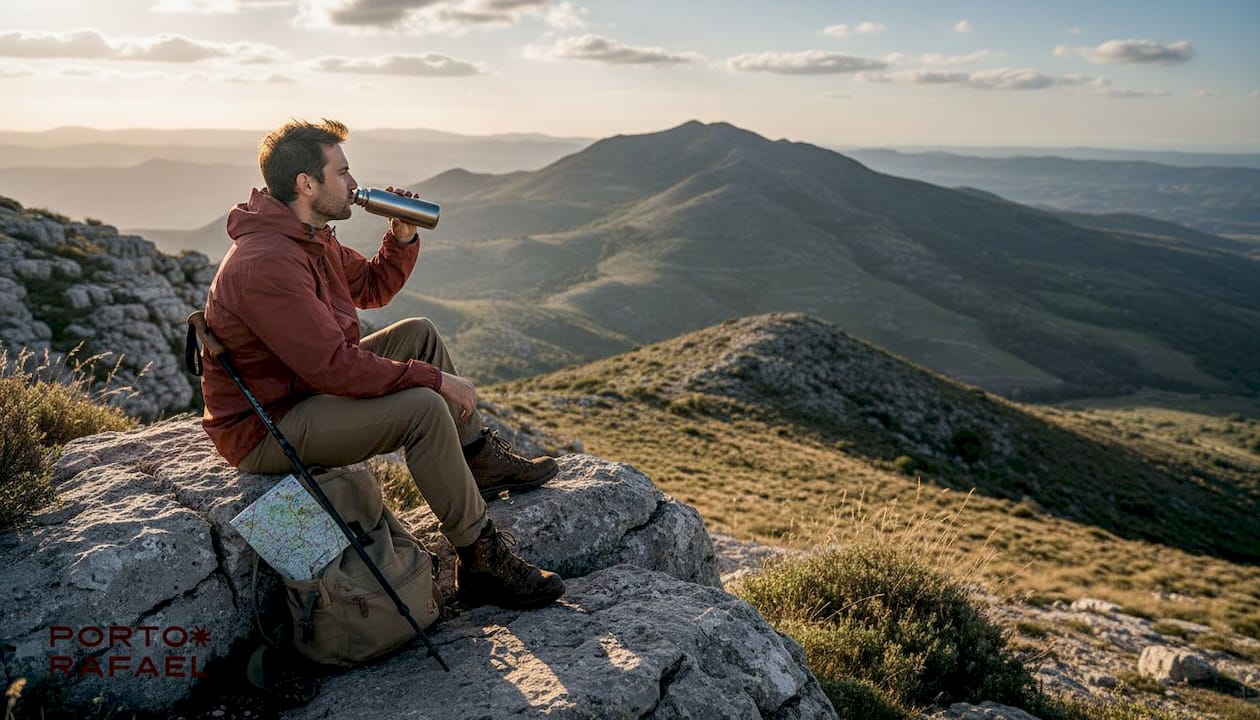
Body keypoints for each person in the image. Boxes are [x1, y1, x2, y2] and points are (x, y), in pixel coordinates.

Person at [199, 118, 565, 618]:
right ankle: (480, 559)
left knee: (419, 333)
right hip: (267, 423)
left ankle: (477, 457)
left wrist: (403, 237)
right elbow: (333, 368)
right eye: (343, 173)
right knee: (422, 409)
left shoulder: (309, 236)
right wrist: (434, 380)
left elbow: (372, 288)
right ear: (306, 184)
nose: (353, 184)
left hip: (302, 389)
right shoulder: (267, 261)